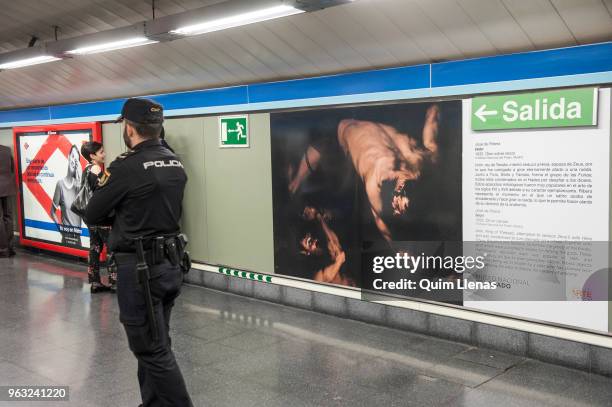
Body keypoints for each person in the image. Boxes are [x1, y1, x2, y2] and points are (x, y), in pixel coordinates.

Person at [84, 98, 193, 407]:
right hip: (170, 265)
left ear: (129, 128)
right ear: (159, 128)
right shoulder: (174, 161)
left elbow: (93, 213)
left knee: (150, 349)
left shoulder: (126, 167)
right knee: (158, 341)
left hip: (141, 270)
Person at [337, 105, 440, 242]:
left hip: (347, 123)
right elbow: (431, 144)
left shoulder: (374, 186)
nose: (399, 202)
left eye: (398, 205)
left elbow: (382, 225)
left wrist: (399, 251)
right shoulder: (417, 167)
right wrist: (433, 111)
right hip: (380, 123)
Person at [79, 141, 114, 293]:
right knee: (112, 248)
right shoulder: (96, 169)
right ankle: (115, 281)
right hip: (101, 216)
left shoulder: (85, 169)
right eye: (101, 152)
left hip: (89, 216)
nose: (104, 154)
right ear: (92, 156)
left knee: (94, 248)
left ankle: (95, 282)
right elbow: (104, 191)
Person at [50, 144, 82, 247]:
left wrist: (80, 179)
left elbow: (86, 207)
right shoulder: (60, 184)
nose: (74, 161)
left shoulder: (79, 186)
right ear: (68, 157)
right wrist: (61, 230)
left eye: (77, 160)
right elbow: (53, 212)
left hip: (78, 238)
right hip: (66, 237)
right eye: (72, 156)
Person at [0, 144, 16, 257]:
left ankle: (2, 249)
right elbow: (12, 168)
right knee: (8, 216)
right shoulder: (6, 149)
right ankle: (10, 248)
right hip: (8, 187)